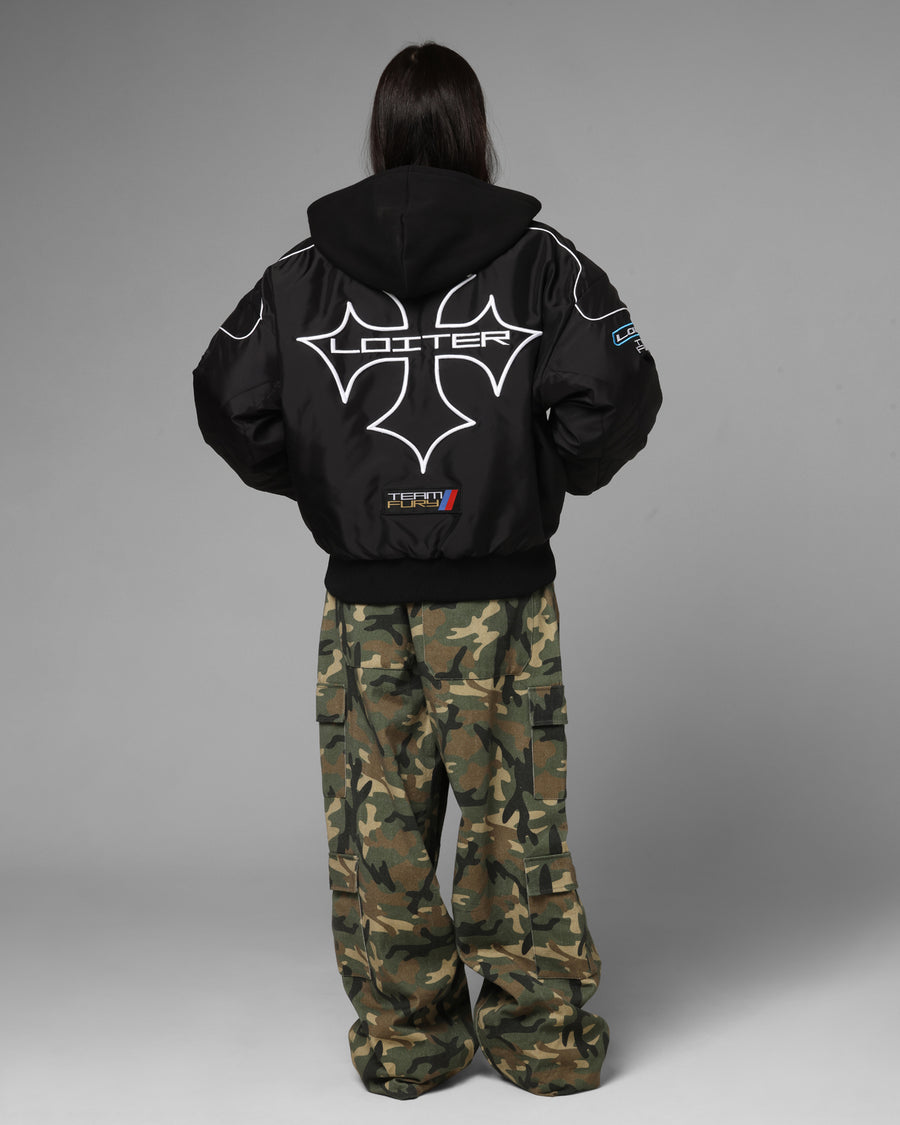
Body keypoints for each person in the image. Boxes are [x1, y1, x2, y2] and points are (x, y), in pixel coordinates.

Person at [192, 41, 662, 1099]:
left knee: (380, 827)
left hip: (365, 602)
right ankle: (541, 1039)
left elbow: (228, 395)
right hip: (502, 597)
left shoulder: (299, 274)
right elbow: (618, 390)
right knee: (517, 821)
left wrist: (333, 488)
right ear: (474, 132)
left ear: (381, 133)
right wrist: (546, 473)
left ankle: (409, 1041)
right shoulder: (542, 263)